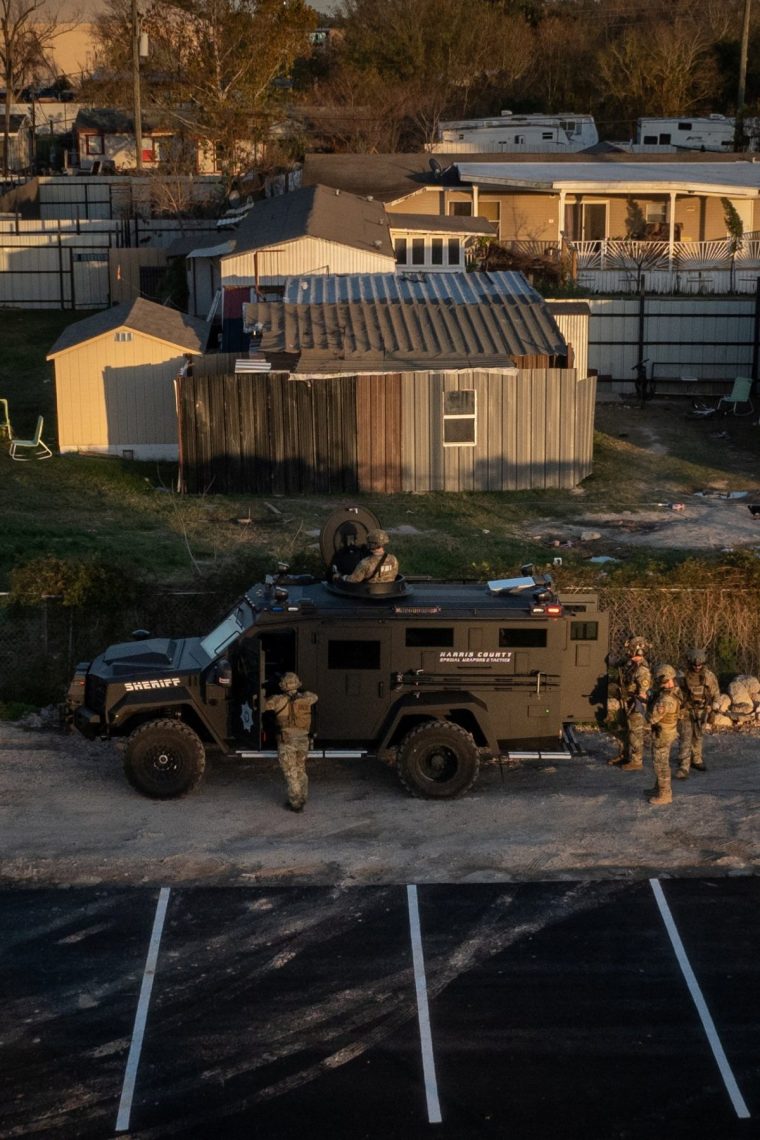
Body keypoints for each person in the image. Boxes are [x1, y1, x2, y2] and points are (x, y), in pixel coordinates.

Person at [264, 673, 318, 813]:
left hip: (286, 740)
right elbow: (315, 697)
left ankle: (296, 803)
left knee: (290, 772)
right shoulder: (307, 698)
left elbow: (265, 707)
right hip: (303, 739)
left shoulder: (276, 700)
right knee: (301, 768)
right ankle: (303, 797)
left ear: (282, 685)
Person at [608, 635, 652, 771]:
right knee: (622, 729)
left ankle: (636, 761)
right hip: (625, 701)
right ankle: (625, 754)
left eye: (630, 649)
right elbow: (616, 663)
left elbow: (643, 693)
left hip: (635, 703)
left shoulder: (642, 670)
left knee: (635, 732)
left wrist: (632, 699)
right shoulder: (630, 663)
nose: (627, 652)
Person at [676, 647, 719, 779]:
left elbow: (715, 692)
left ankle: (697, 760)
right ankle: (684, 766)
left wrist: (714, 709)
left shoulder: (708, 676)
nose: (697, 667)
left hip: (701, 711)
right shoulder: (681, 676)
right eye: (694, 665)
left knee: (698, 736)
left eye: (700, 665)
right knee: (686, 737)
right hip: (686, 710)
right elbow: (674, 693)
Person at [646, 663, 682, 806]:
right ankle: (658, 789)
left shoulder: (666, 699)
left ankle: (665, 794)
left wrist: (646, 707)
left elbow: (652, 717)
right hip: (668, 731)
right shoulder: (674, 692)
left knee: (660, 764)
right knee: (661, 761)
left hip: (663, 734)